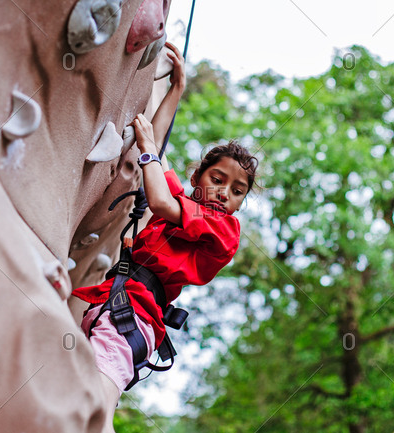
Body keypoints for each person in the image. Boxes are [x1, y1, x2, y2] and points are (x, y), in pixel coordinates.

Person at [71, 41, 259, 404]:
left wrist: (145, 150)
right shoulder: (184, 201)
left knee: (94, 403)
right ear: (196, 177)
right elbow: (154, 148)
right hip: (107, 302)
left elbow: (156, 196)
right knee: (70, 400)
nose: (224, 193)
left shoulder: (223, 230)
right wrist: (176, 90)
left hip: (135, 314)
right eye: (217, 180)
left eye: (236, 191)